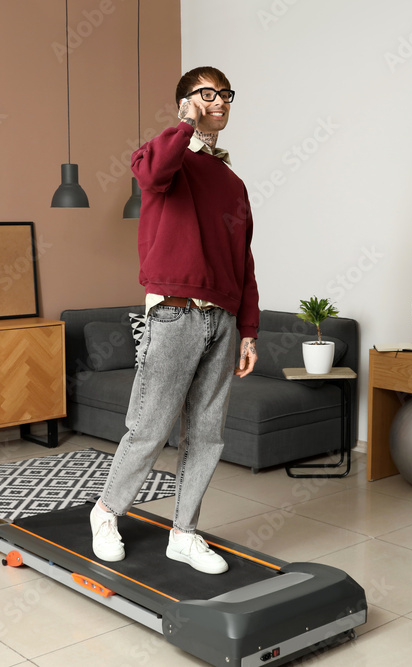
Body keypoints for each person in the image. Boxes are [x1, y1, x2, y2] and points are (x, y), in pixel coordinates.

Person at [90, 66, 259, 575]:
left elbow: (244, 261)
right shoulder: (164, 157)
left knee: (207, 434)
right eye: (208, 93)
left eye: (226, 94)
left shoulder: (233, 182)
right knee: (149, 427)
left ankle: (183, 534)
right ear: (185, 102)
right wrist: (185, 124)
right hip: (174, 314)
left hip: (222, 321)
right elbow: (151, 175)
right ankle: (106, 512)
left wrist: (249, 329)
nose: (220, 101)